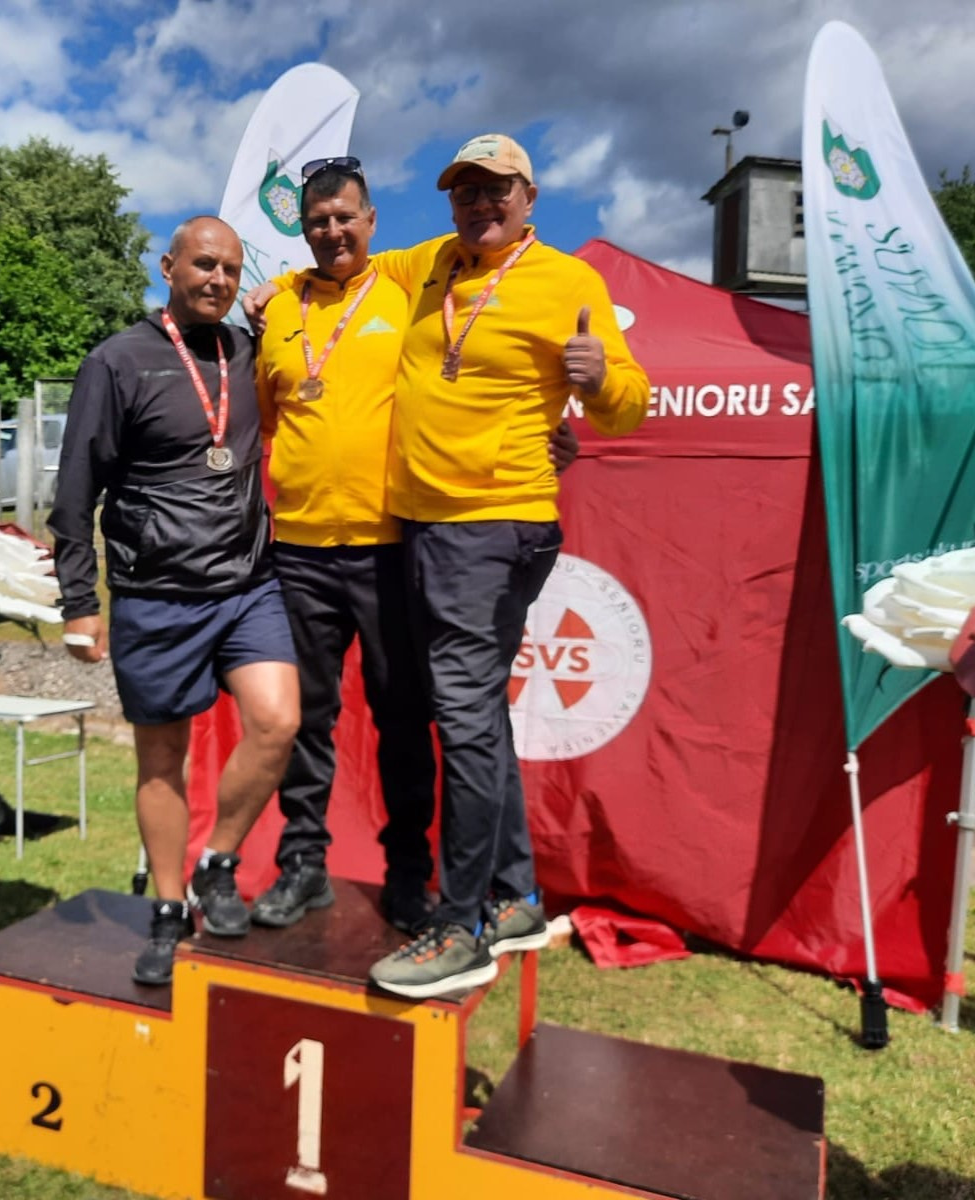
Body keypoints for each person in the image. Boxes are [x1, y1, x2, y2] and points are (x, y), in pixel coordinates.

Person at [257, 134, 648, 999]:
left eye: (497, 189)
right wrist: (272, 290)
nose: (480, 204)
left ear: (530, 196)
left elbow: (629, 405)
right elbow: (332, 265)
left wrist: (597, 382)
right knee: (475, 717)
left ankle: (461, 926)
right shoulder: (429, 263)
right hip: (426, 528)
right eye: (466, 190)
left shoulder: (568, 282)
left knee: (461, 719)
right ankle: (514, 897)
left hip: (490, 525)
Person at [48, 215, 300, 987]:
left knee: (278, 722)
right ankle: (166, 907)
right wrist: (78, 600)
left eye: (229, 268)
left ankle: (217, 862)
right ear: (168, 267)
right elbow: (75, 491)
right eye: (203, 264)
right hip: (155, 595)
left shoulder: (248, 351)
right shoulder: (116, 361)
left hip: (247, 584)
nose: (217, 279)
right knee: (162, 760)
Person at [250, 159, 437, 934]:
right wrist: (271, 288)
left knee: (403, 719)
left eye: (344, 218)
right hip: (298, 549)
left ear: (371, 221)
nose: (331, 231)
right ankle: (303, 865)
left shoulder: (406, 289)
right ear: (303, 229)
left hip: (388, 546)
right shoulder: (278, 307)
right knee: (304, 719)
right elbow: (268, 416)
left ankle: (409, 875)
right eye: (317, 221)